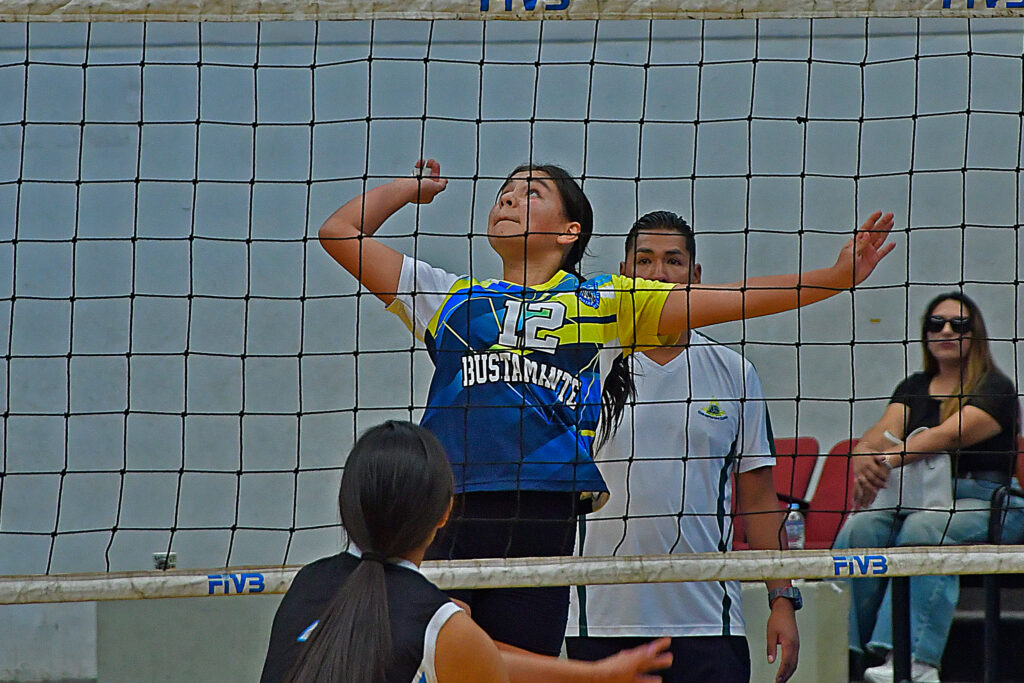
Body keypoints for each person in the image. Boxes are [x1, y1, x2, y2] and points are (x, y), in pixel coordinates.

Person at [317, 157, 894, 654]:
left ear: (569, 231)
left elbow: (734, 299)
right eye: (505, 193)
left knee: (521, 667)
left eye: (531, 192)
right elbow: (340, 232)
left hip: (543, 510)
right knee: (439, 660)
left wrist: (834, 278)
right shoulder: (449, 297)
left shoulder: (606, 301)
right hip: (446, 508)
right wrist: (407, 190)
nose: (510, 199)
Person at [565, 211, 800, 683]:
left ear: (695, 276)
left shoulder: (734, 373)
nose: (658, 272)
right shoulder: (585, 363)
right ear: (624, 273)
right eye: (645, 260)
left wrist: (782, 599)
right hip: (599, 617)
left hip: (708, 621)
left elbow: (758, 501)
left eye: (673, 261)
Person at [260, 419, 674, 682]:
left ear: (346, 506)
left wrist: (596, 674)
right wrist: (598, 676)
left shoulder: (306, 584)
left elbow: (481, 659)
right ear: (444, 514)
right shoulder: (440, 623)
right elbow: (483, 661)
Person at [833, 292, 1024, 683]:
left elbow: (944, 436)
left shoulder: (995, 388)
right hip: (917, 500)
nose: (946, 331)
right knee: (860, 529)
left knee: (923, 529)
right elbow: (879, 433)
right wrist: (864, 455)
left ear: (976, 334)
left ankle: (913, 659)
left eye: (959, 324)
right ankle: (842, 650)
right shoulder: (915, 386)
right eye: (936, 323)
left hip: (990, 503)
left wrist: (886, 458)